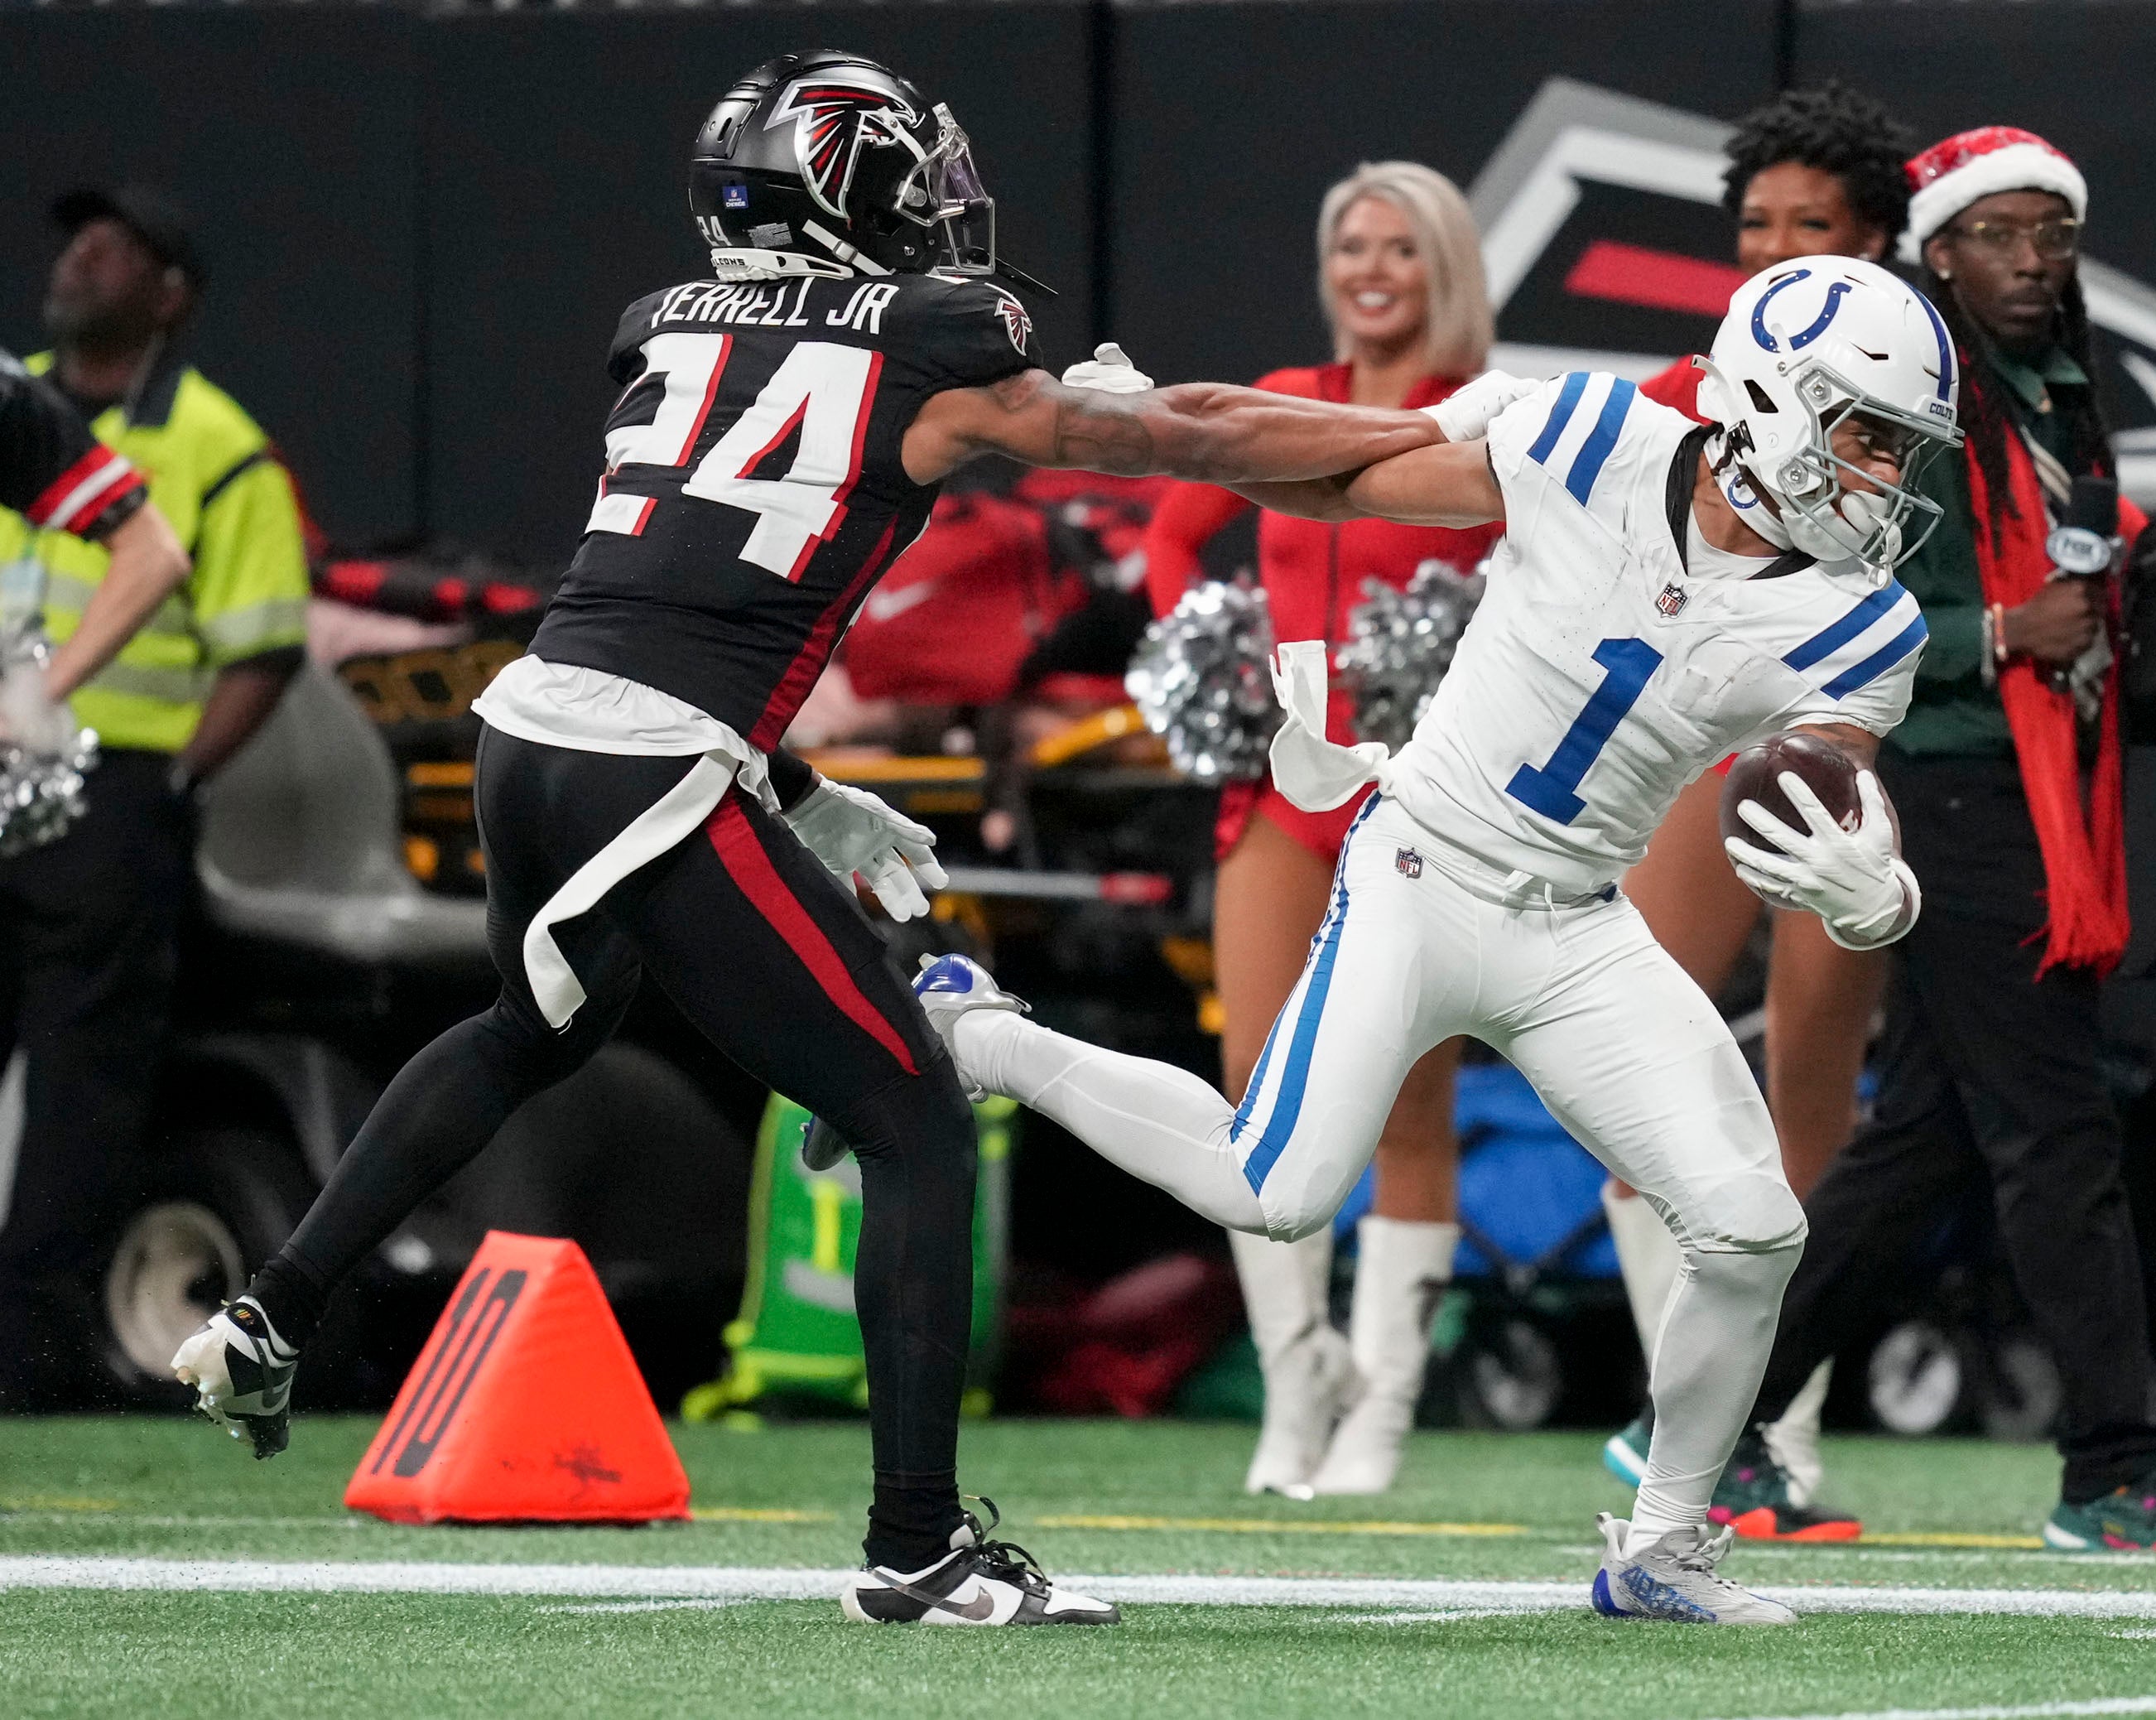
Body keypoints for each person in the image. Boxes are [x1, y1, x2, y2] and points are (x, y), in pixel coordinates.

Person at [170, 51, 1533, 1629]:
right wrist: (1443, 439)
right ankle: (915, 1542)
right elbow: (1185, 451)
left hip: (535, 726)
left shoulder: (664, 323)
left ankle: (277, 1307)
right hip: (655, 757)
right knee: (910, 1113)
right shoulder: (936, 341)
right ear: (856, 187)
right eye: (916, 179)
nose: (944, 208)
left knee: (533, 1022)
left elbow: (686, 576)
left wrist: (796, 788)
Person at [912, 256, 1962, 1624]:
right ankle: (973, 1031)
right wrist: (1145, 427)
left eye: (1899, 447)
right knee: (1271, 1184)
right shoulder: (1597, 439)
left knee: (1752, 1226)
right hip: (1421, 866)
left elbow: (1824, 772)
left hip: (1579, 925)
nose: (1884, 475)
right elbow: (1345, 473)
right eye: (1867, 432)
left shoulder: (1861, 619)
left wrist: (1873, 885)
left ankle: (1659, 1550)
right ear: (1766, 395)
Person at [1717, 127, 2156, 1554]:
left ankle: (1710, 1432)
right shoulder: (1900, 388)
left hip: (2024, 787)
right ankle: (2114, 1468)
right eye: (1999, 233)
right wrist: (2000, 632)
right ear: (1934, 247)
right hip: (1939, 783)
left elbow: (2073, 620)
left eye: (2053, 233)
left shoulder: (2053, 389)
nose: (2033, 260)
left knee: (1920, 1141)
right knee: (2055, 1133)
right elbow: (1816, 587)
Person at [1140, 161, 1502, 1498]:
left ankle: (1382, 1416)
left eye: (1399, 248)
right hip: (1282, 792)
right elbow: (1174, 527)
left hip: (1429, 805)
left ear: (1443, 269)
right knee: (1256, 1092)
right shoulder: (1282, 401)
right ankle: (1296, 1390)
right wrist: (1210, 642)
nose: (1368, 269)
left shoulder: (1480, 416)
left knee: (1412, 1104)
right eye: (1349, 243)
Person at [1603, 81, 1916, 1533]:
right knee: (1634, 1055)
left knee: (1810, 1087)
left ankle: (1776, 1431)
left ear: (1876, 244)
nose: (1777, 249)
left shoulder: (1914, 401)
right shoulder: (1684, 387)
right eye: (1756, 226)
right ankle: (1680, 1420)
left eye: (1814, 225)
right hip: (1694, 741)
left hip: (1839, 742)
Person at [0, 185, 309, 1404]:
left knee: (81, 1094)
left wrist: (168, 780)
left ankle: (26, 1365)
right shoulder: (20, 390)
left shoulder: (214, 445)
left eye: (114, 244)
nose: (78, 255)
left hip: (104, 789)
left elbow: (263, 644)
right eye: (71, 235)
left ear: (170, 292)